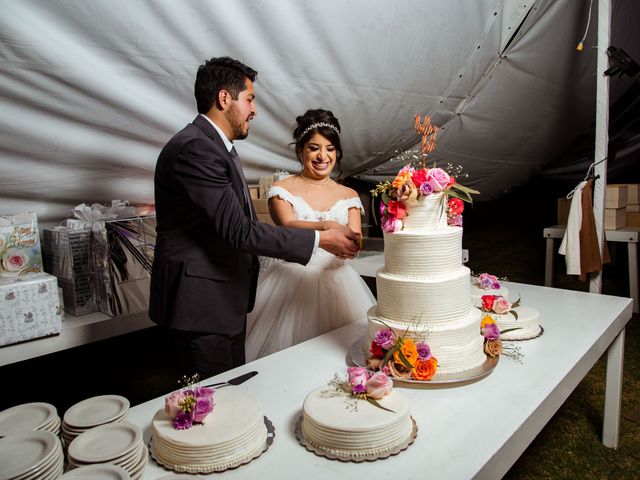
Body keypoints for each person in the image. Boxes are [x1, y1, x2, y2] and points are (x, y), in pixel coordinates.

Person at [149, 58, 360, 379]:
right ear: (224, 99)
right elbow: (239, 231)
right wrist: (321, 237)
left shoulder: (218, 147)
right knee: (215, 406)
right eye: (249, 99)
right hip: (200, 305)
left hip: (223, 301)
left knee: (236, 394)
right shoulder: (196, 149)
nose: (254, 110)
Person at [245, 109, 376, 362]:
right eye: (314, 148)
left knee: (343, 357)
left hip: (339, 283)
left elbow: (354, 243)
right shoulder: (282, 190)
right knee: (288, 361)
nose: (322, 156)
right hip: (290, 282)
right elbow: (287, 226)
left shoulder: (349, 195)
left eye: (329, 149)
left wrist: (348, 242)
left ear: (337, 152)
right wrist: (327, 225)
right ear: (301, 150)